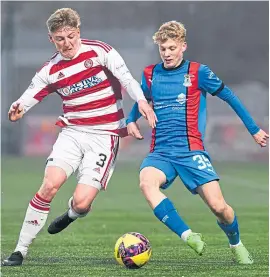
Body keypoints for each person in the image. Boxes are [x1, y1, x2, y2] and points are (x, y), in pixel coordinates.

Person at [2, 8, 157, 266]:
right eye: (60, 39)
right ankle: (20, 250)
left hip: (105, 136)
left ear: (79, 32)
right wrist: (17, 108)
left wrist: (141, 101)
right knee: (50, 184)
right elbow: (29, 95)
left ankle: (74, 213)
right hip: (72, 133)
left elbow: (127, 79)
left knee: (83, 202)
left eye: (71, 36)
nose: (67, 43)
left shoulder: (100, 52)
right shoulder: (50, 70)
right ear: (51, 39)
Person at [126, 20, 268, 264]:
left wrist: (253, 130)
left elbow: (230, 97)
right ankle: (188, 235)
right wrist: (131, 120)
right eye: (163, 49)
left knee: (219, 207)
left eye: (172, 48)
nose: (167, 54)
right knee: (146, 184)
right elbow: (141, 101)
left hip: (192, 151)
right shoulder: (150, 74)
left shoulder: (198, 72)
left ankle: (236, 244)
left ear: (183, 47)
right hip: (161, 152)